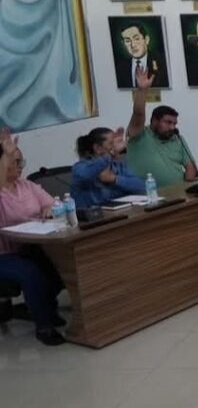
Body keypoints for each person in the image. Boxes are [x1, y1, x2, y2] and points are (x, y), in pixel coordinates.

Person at [0, 129, 66, 345]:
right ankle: (44, 326)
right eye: (15, 161)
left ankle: (44, 307)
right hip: (4, 254)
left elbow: (54, 203)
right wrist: (6, 155)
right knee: (32, 274)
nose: (20, 166)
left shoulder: (27, 185)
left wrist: (49, 209)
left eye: (22, 161)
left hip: (31, 247)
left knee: (62, 266)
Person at [126, 68, 198, 187]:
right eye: (168, 122)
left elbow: (190, 166)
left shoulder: (177, 138)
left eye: (174, 123)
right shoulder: (139, 135)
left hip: (180, 192)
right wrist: (142, 90)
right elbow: (138, 113)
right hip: (149, 193)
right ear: (154, 121)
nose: (172, 127)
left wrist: (187, 188)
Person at [71, 127, 146, 207]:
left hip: (122, 211)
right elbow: (86, 174)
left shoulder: (118, 166)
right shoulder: (80, 167)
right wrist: (112, 153)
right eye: (111, 143)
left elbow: (142, 185)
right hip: (93, 213)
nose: (118, 147)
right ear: (98, 148)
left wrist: (114, 179)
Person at [114, 22, 168, 89]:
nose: (133, 45)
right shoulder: (119, 68)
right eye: (127, 41)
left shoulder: (164, 62)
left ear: (146, 40)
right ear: (123, 44)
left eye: (136, 39)